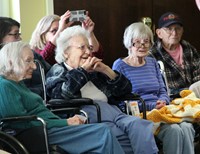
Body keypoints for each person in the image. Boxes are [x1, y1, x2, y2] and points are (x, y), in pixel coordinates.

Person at [45, 25, 158, 154]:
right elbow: (61, 94)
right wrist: (82, 72)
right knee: (125, 138)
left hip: (114, 112)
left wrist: (106, 70)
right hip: (90, 115)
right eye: (82, 47)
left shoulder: (95, 71)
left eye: (89, 47)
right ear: (66, 52)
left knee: (140, 126)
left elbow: (126, 91)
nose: (88, 52)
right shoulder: (57, 70)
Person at [0, 41, 125, 154]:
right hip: (40, 133)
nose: (34, 66)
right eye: (28, 61)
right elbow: (18, 124)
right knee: (103, 133)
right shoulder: (5, 86)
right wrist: (65, 122)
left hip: (48, 129)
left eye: (33, 61)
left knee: (100, 139)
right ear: (11, 61)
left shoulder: (18, 83)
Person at [112, 22, 195, 154]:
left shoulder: (152, 62)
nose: (142, 46)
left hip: (161, 109)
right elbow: (121, 100)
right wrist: (151, 106)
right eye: (137, 42)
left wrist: (163, 101)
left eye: (146, 41)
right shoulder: (120, 65)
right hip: (140, 114)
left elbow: (163, 90)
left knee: (186, 127)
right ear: (129, 43)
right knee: (174, 130)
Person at [149, 12, 200, 95]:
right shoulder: (152, 54)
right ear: (159, 33)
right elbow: (158, 87)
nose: (174, 33)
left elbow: (198, 74)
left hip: (194, 97)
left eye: (178, 28)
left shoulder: (188, 47)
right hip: (170, 99)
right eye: (169, 29)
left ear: (182, 30)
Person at [0, 17, 51, 98]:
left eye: (19, 34)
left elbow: (50, 74)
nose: (20, 39)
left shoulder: (31, 54)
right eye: (15, 34)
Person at [29, 10, 103, 65]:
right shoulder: (34, 53)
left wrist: (89, 33)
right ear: (42, 36)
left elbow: (97, 56)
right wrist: (60, 30)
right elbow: (43, 61)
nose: (60, 34)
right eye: (54, 31)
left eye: (62, 30)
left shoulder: (69, 49)